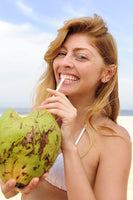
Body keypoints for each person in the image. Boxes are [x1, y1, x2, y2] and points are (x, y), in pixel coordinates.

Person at [1, 14, 132, 200]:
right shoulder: (40, 115)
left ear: (107, 73)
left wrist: (69, 146)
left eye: (81, 56)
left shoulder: (114, 139)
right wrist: (11, 185)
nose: (65, 62)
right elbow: (12, 188)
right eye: (61, 53)